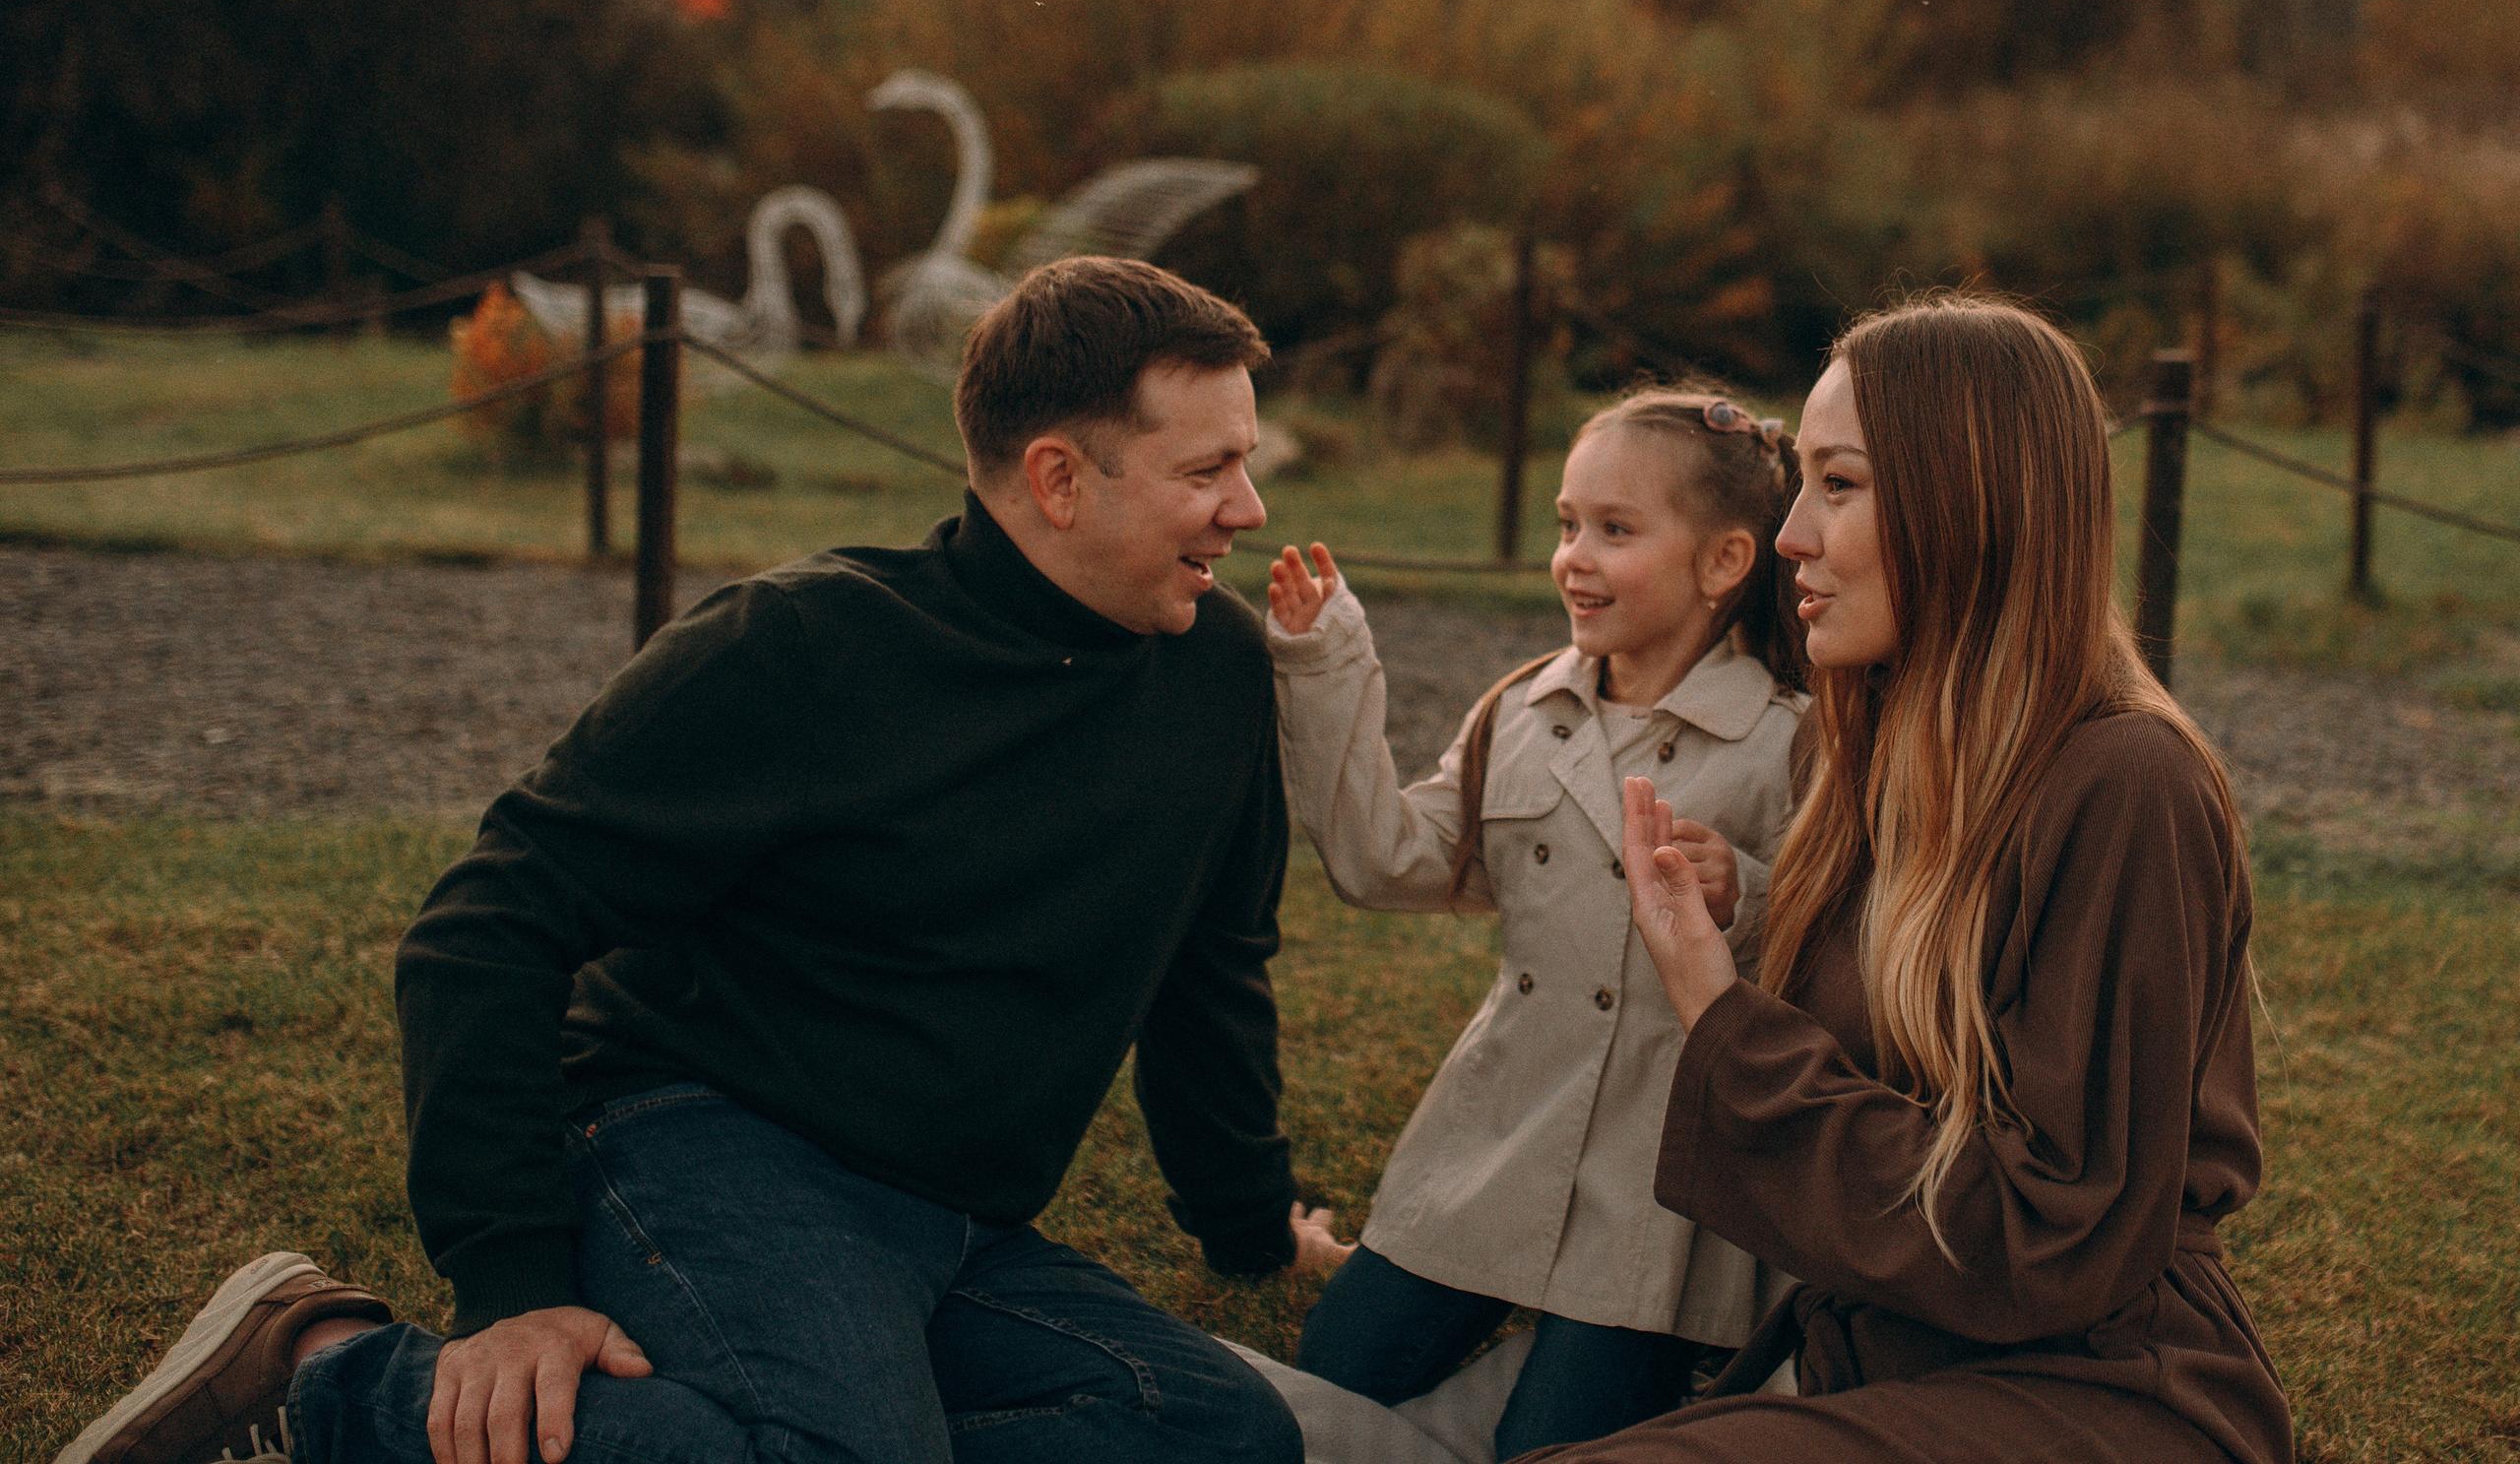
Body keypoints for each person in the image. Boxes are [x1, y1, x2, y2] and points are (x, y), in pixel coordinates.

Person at [58, 257, 1332, 1464]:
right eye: (1208, 468)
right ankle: (327, 1379)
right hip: (707, 1142)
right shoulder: (804, 649)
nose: (1248, 508)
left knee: (1217, 1432)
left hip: (957, 1222)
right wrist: (512, 1283)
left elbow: (1210, 971)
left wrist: (1249, 1223)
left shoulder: (1215, 675)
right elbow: (489, 923)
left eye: (1248, 462)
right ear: (1059, 478)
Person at [1523, 295, 2292, 1463]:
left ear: (1968, 504)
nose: (1788, 536)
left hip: (2107, 1390)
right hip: (1877, 1351)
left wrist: (1720, 1013)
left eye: (1839, 485)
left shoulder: (2127, 783)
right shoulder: (1873, 759)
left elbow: (2047, 1238)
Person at [1259, 387, 1810, 1458]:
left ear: (1723, 561)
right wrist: (1323, 666)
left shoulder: (1790, 739)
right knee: (1320, 1398)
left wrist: (1746, 887)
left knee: (1554, 1443)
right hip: (1491, 1149)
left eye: (1614, 530)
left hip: (1660, 1201)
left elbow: (1854, 927)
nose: (1574, 556)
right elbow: (1387, 860)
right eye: (1566, 525)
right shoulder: (1520, 709)